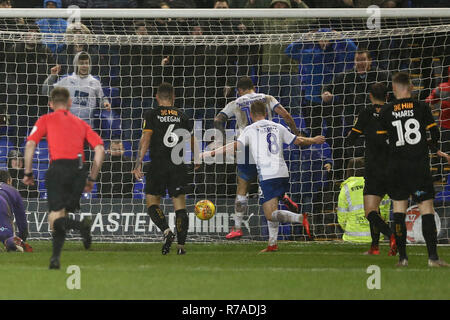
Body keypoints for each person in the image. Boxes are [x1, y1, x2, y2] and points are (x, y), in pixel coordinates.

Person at [202, 100, 325, 252]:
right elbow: (298, 140)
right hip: (283, 173)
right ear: (266, 113)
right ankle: (272, 243)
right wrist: (314, 140)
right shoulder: (278, 126)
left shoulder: (250, 129)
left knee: (270, 214)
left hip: (267, 174)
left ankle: (300, 218)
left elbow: (235, 146)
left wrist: (211, 152)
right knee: (272, 206)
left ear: (251, 115)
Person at [23, 87, 105, 269]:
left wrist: (28, 172)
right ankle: (56, 257)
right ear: (69, 103)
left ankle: (68, 241)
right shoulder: (81, 123)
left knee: (56, 218)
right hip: (78, 170)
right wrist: (92, 178)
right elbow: (99, 149)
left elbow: (30, 144)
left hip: (57, 169)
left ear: (51, 104)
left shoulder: (45, 119)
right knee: (61, 216)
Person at [213, 76, 301, 240]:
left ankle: (238, 228)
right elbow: (286, 114)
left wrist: (222, 141)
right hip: (266, 146)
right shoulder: (267, 98)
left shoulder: (236, 103)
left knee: (243, 186)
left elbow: (218, 119)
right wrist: (295, 132)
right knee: (267, 184)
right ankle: (282, 196)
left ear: (239, 90)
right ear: (253, 87)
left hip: (246, 146)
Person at [377, 72, 449, 267]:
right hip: (418, 166)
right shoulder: (421, 107)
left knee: (398, 210)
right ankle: (433, 258)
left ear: (393, 89)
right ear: (411, 87)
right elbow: (435, 133)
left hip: (397, 168)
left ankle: (403, 259)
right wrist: (431, 146)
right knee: (426, 209)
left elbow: (381, 143)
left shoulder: (386, 110)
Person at [133, 83, 200, 255]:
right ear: (173, 97)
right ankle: (181, 247)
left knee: (152, 203)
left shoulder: (151, 115)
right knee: (180, 206)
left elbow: (146, 139)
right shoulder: (183, 116)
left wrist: (138, 162)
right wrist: (197, 157)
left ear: (156, 97)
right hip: (178, 165)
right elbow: (192, 139)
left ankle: (166, 231)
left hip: (157, 165)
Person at [346, 83, 397, 255]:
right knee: (391, 208)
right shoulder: (394, 112)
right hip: (394, 167)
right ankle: (374, 247)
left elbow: (351, 139)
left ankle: (392, 236)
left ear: (370, 96)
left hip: (375, 168)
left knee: (370, 211)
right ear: (388, 97)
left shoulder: (366, 113)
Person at [285, 28, 357, 138]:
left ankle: (334, 154)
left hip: (333, 99)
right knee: (314, 134)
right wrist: (304, 38)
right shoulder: (310, 54)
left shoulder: (338, 55)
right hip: (313, 100)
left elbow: (354, 50)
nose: (324, 41)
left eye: (327, 38)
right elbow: (289, 51)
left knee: (335, 133)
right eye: (321, 38)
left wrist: (340, 36)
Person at [42, 51, 111, 126]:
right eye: (81, 63)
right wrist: (52, 76)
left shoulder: (95, 82)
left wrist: (105, 103)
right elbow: (46, 92)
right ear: (76, 64)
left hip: (87, 126)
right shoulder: (67, 79)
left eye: (86, 63)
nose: (84, 66)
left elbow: (102, 99)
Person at [337, 158, 391, 246]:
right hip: (376, 236)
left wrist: (349, 227)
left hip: (351, 237)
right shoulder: (378, 185)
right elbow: (385, 211)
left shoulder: (346, 187)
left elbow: (342, 215)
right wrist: (381, 225)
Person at [0, 170, 32, 252]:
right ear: (9, 180)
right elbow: (21, 219)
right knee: (6, 237)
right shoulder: (12, 190)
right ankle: (13, 242)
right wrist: (22, 238)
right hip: (2, 203)